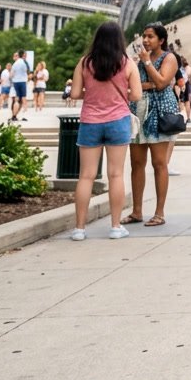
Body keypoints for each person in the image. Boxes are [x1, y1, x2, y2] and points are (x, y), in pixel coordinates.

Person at [68, 21, 142, 241]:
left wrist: (92, 94)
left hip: (90, 122)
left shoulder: (85, 63)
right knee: (116, 174)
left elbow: (73, 94)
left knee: (86, 176)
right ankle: (116, 226)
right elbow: (136, 95)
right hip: (118, 121)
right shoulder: (127, 64)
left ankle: (79, 229)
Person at [124, 23, 180, 225]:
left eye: (150, 37)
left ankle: (159, 213)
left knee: (159, 163)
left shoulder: (169, 58)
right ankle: (136, 211)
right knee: (136, 163)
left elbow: (163, 82)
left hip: (160, 113)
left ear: (161, 40)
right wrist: (148, 83)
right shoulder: (138, 59)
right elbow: (134, 84)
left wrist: (147, 64)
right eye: (144, 36)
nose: (145, 40)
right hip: (139, 112)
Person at [9, 51, 31, 122]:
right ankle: (22, 114)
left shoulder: (14, 64)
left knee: (16, 100)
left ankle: (14, 116)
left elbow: (11, 75)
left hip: (15, 83)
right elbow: (28, 72)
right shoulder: (24, 62)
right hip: (22, 82)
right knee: (23, 99)